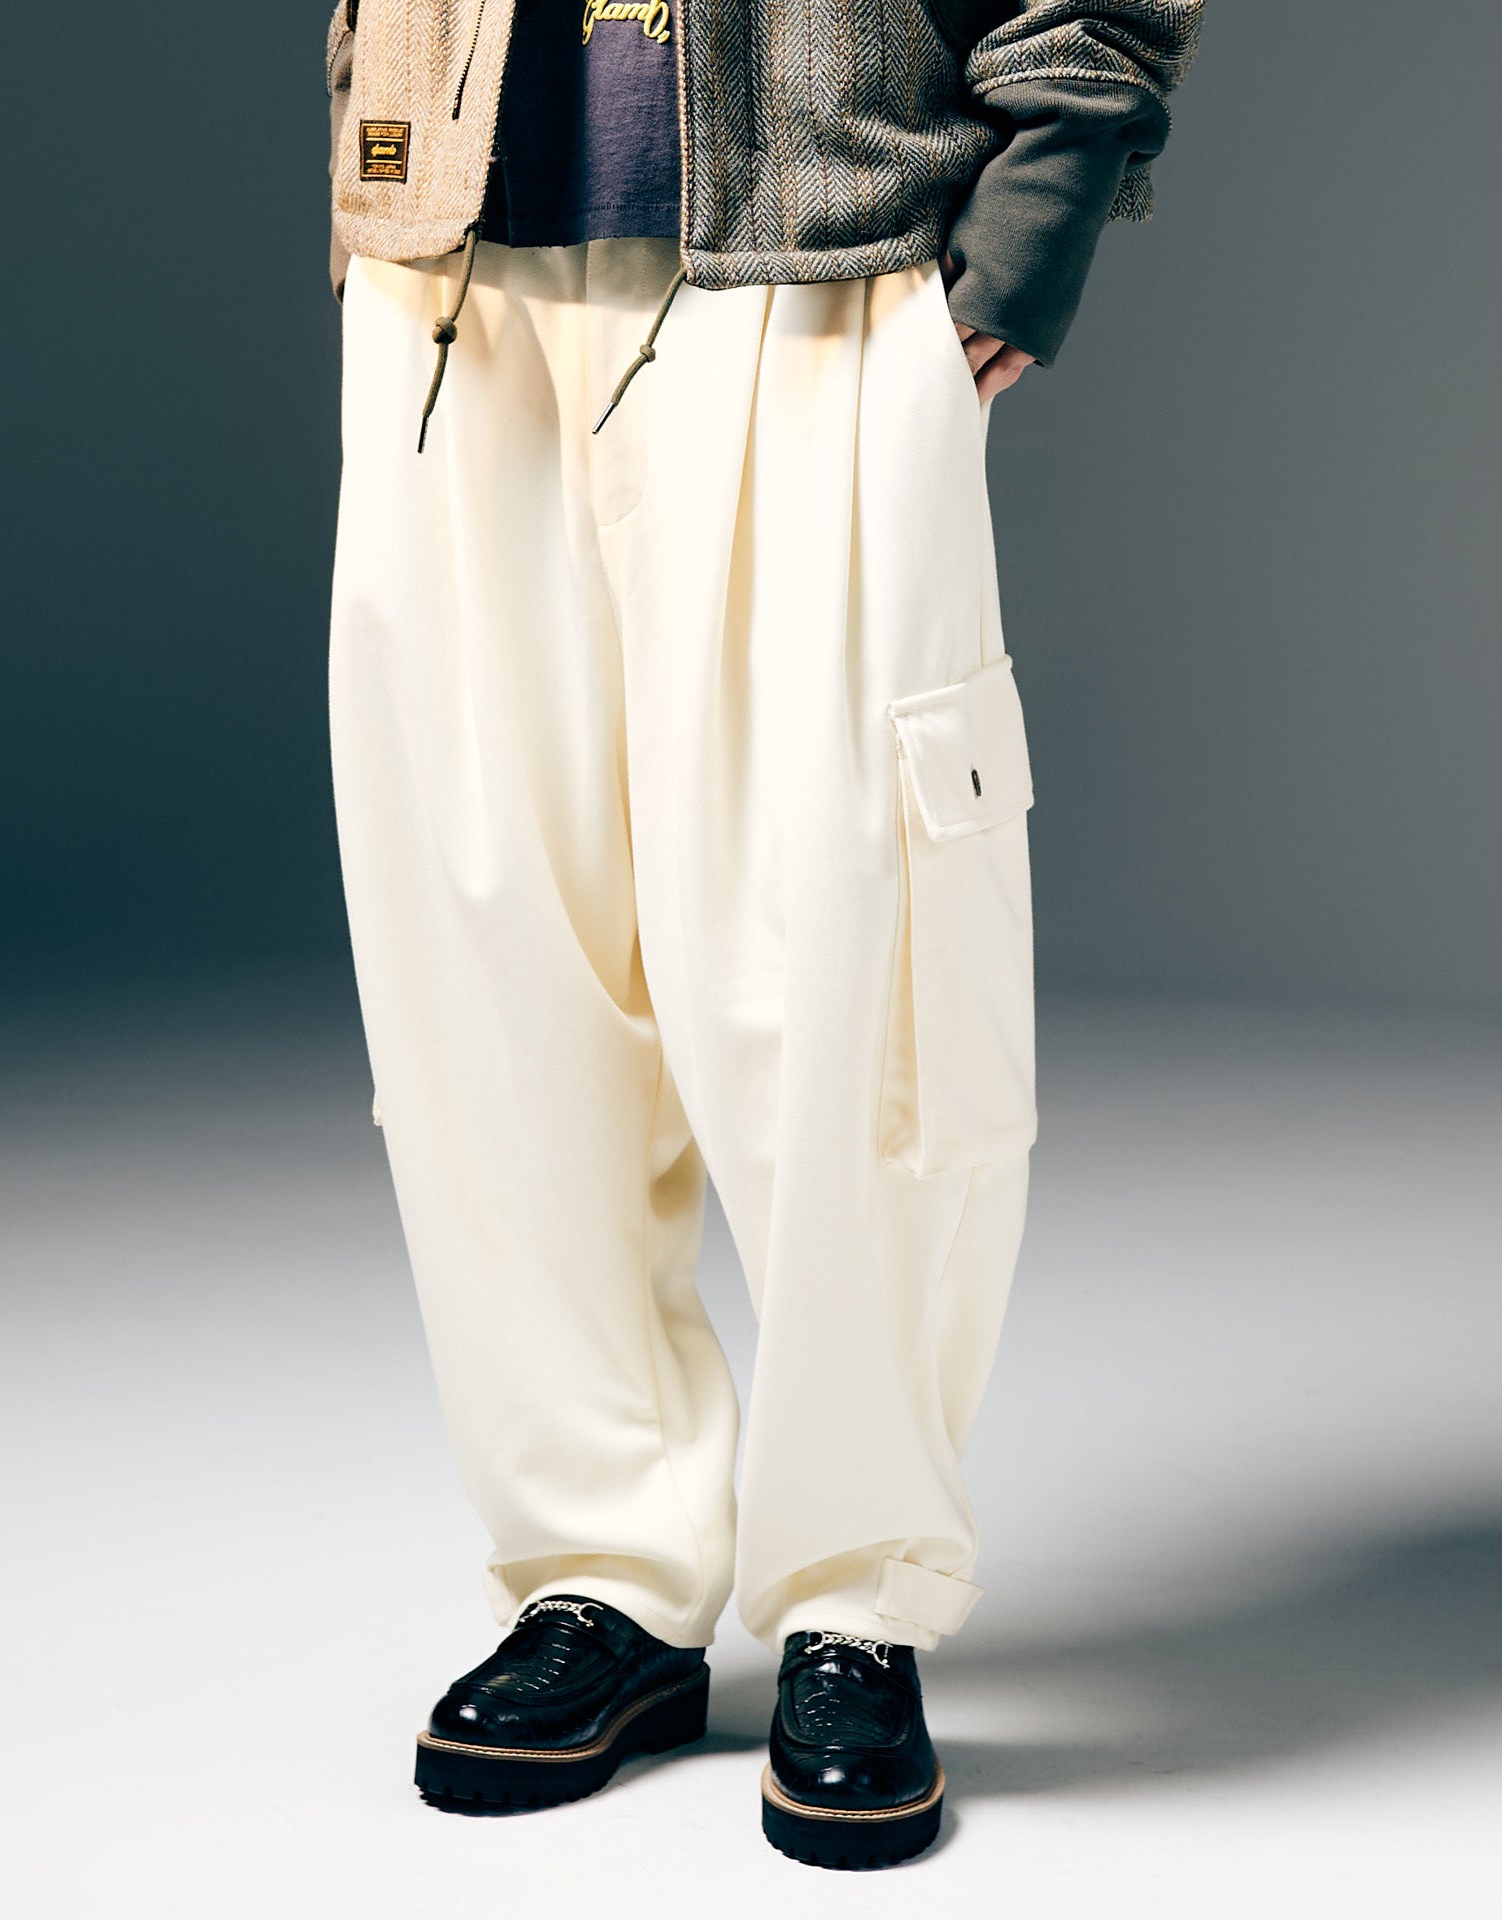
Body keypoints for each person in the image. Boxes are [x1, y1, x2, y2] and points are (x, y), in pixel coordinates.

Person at [324, 0, 1201, 1871]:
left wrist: (1042, 193)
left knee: (848, 960)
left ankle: (855, 1594)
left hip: (824, 242)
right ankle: (604, 1572)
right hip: (451, 248)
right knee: (487, 953)